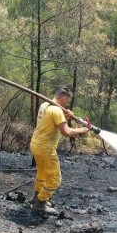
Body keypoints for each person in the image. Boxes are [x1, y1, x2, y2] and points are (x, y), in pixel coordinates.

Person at [30, 86, 89, 215]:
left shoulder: (45, 105)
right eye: (67, 101)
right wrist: (82, 130)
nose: (67, 104)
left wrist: (67, 117)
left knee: (42, 174)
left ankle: (36, 197)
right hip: (46, 148)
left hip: (36, 145)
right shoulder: (56, 111)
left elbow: (56, 123)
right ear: (63, 99)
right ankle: (40, 204)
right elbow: (66, 132)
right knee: (55, 179)